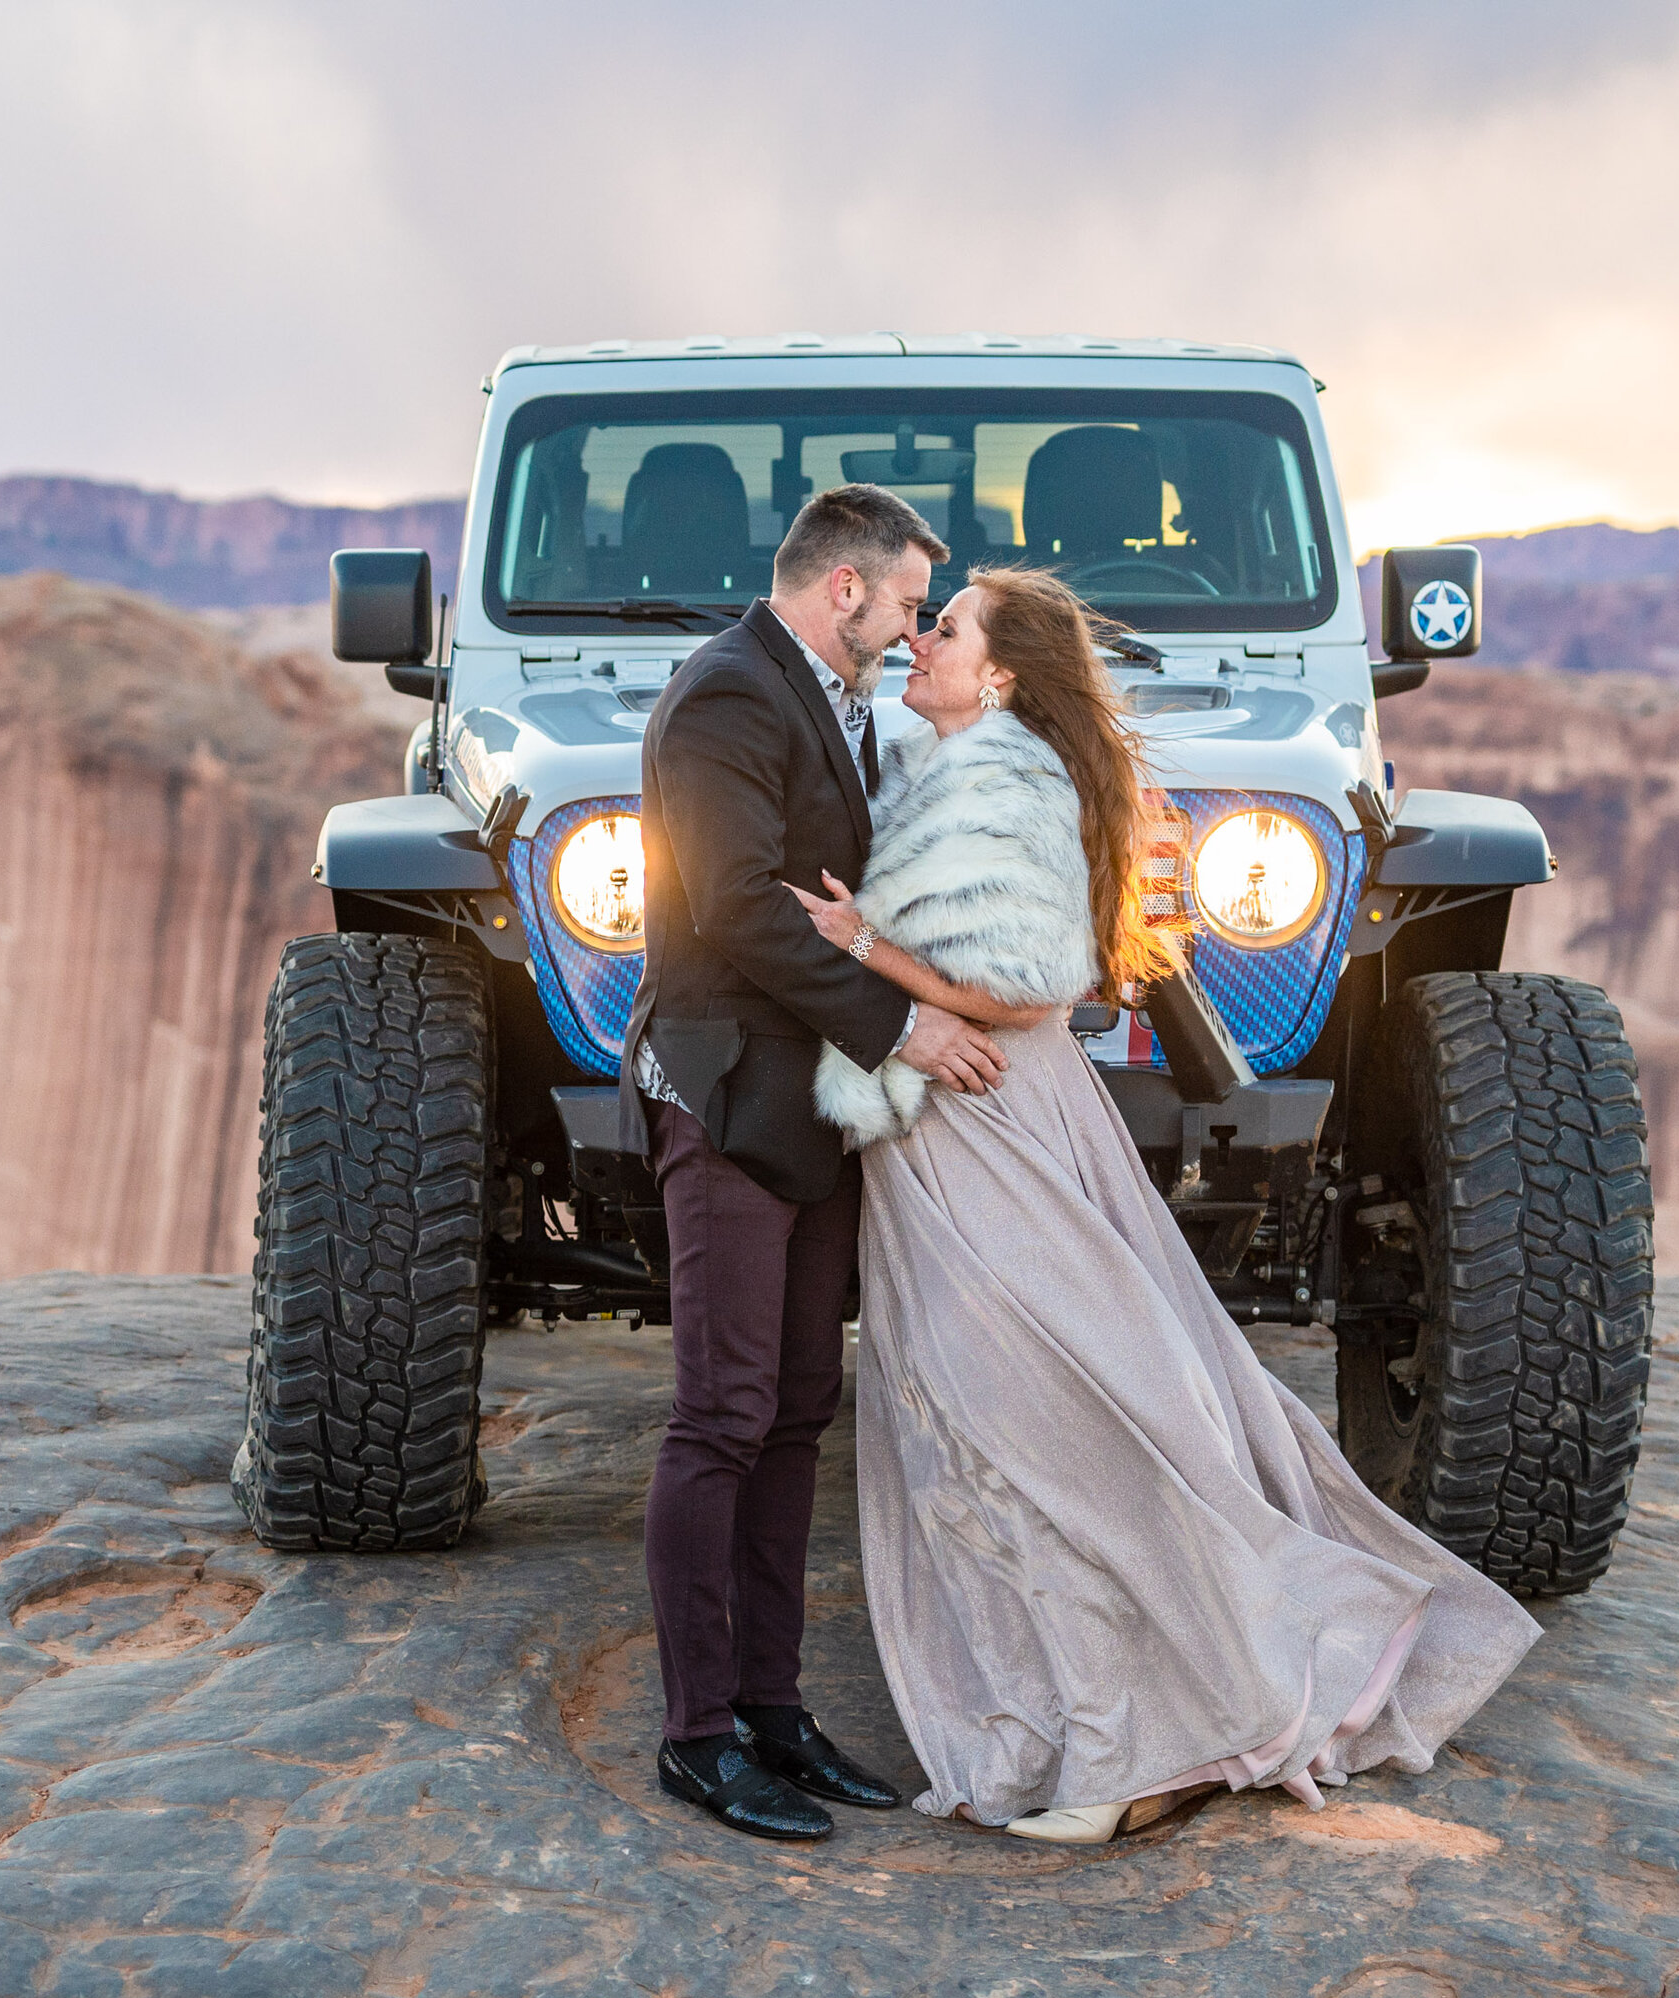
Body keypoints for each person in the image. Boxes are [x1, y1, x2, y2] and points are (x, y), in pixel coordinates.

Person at [791, 567, 1541, 1844]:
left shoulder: (1012, 781)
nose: (923, 638)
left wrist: (860, 950)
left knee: (1033, 1425)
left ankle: (1130, 1751)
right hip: (940, 1135)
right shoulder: (948, 762)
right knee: (974, 1435)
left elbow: (1030, 990)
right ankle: (1073, 1729)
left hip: (992, 1124)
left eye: (948, 627)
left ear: (1005, 674)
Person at [623, 483, 1014, 1843]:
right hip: (731, 1095)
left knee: (794, 1408)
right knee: (719, 1415)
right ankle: (694, 1735)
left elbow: (835, 901)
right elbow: (732, 913)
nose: (913, 630)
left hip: (817, 1111)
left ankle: (774, 1714)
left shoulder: (827, 700)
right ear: (843, 588)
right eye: (908, 603)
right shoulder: (728, 695)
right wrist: (907, 1022)